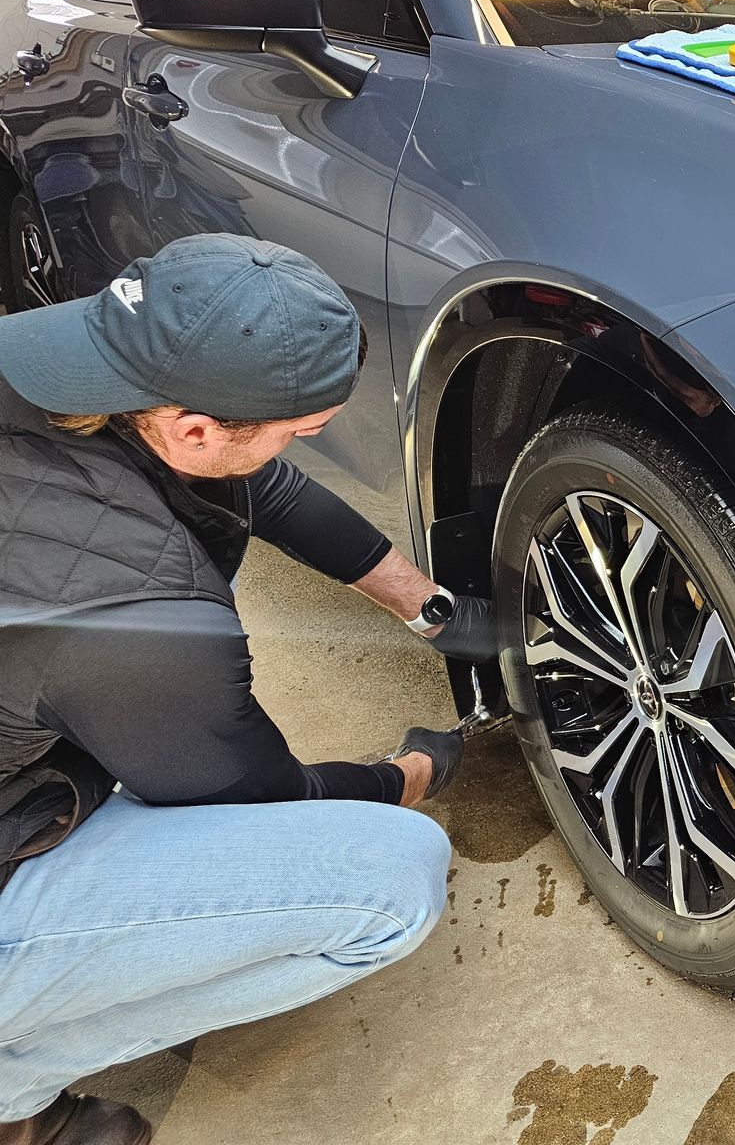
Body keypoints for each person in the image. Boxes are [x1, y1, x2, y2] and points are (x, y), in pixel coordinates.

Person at [0, 235, 495, 1144]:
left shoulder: (55, 371)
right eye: (301, 429)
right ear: (192, 429)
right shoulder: (142, 622)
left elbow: (260, 486)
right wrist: (408, 774)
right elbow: (262, 799)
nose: (304, 446)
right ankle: (8, 1083)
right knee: (387, 880)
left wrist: (428, 609)